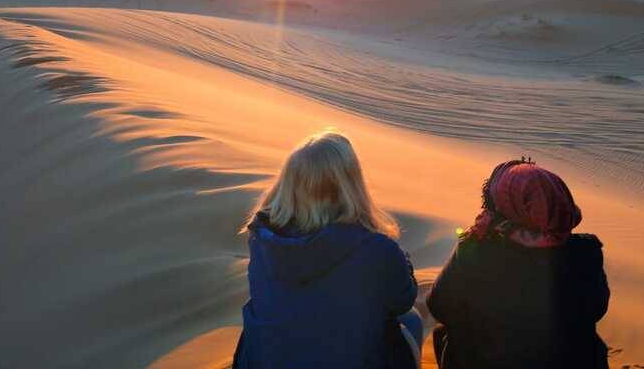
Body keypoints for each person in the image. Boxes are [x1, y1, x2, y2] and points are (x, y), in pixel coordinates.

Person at [232, 130, 422, 369]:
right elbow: (403, 300)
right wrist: (403, 263)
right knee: (411, 320)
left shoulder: (262, 240)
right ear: (351, 185)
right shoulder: (377, 249)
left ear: (288, 183)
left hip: (263, 361)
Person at [427, 159, 609, 369]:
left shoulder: (476, 250)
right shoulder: (586, 251)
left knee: (443, 333)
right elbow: (597, 308)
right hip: (575, 361)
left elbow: (439, 306)